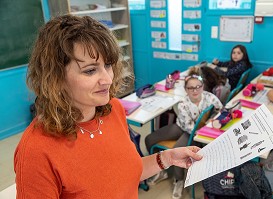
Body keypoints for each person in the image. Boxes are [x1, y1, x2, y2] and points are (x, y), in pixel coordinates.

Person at [14, 15, 203, 198]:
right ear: (55, 77)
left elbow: (127, 174)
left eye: (108, 65)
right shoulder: (35, 150)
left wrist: (167, 158)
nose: (107, 79)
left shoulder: (113, 108)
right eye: (90, 71)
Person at [145, 67, 223, 199]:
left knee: (177, 151)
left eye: (198, 87)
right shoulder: (183, 103)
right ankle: (161, 171)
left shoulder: (210, 97)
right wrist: (202, 128)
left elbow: (220, 109)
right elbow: (189, 126)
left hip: (196, 132)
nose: (195, 90)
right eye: (191, 88)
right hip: (186, 127)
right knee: (149, 139)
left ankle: (179, 180)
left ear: (203, 86)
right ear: (186, 89)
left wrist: (212, 120)